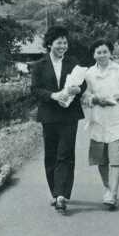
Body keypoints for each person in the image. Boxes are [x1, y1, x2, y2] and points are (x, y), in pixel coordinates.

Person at [31, 25, 86, 214]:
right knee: (51, 155)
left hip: (69, 115)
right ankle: (55, 192)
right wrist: (54, 96)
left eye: (65, 42)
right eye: (59, 42)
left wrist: (78, 90)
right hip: (49, 115)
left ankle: (61, 195)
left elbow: (83, 84)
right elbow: (35, 90)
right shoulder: (39, 65)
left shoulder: (73, 62)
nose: (63, 46)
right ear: (49, 44)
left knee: (66, 153)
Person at [83, 39, 119, 210]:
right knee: (101, 160)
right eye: (98, 52)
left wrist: (118, 96)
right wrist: (94, 99)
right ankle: (107, 187)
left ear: (110, 53)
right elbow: (85, 95)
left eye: (105, 51)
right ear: (93, 55)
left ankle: (113, 193)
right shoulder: (89, 73)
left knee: (116, 160)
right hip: (97, 121)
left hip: (117, 120)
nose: (102, 55)